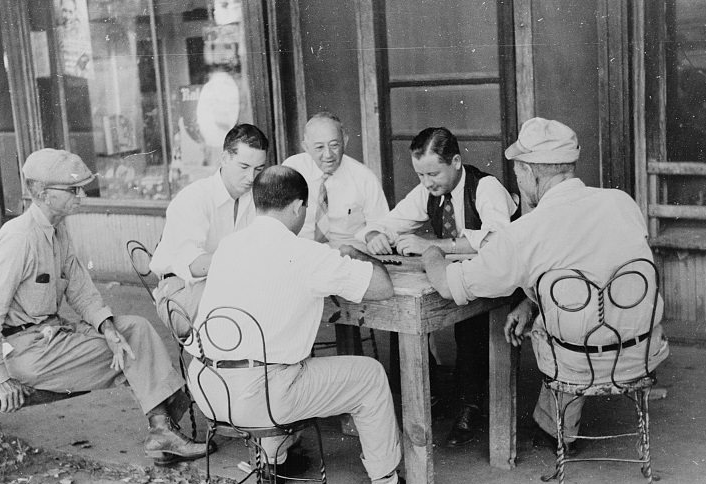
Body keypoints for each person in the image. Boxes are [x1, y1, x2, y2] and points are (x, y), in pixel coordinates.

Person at [422, 118, 670, 455]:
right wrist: (530, 303)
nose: (518, 179)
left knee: (554, 327)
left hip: (581, 362)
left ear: (528, 172)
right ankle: (551, 427)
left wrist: (433, 252)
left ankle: (557, 432)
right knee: (572, 313)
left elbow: (451, 285)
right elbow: (595, 272)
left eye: (518, 172)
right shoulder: (621, 202)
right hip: (644, 353)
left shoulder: (527, 231)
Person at [0, 148, 211, 466]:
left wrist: (108, 329)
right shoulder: (18, 238)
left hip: (50, 339)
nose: (81, 195)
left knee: (133, 330)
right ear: (42, 192)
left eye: (81, 188)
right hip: (25, 353)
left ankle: (163, 429)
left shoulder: (58, 232)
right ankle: (163, 429)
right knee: (134, 353)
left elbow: (82, 292)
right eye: (72, 190)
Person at [187, 165, 407, 484]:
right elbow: (382, 287)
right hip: (260, 396)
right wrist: (353, 252)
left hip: (209, 390)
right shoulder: (306, 254)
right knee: (369, 376)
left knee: (280, 359)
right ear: (297, 208)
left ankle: (275, 461)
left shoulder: (228, 247)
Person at [356, 127, 518, 447]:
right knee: (401, 315)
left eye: (432, 173)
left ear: (456, 161)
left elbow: (499, 242)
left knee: (469, 324)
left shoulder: (486, 188)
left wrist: (434, 245)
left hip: (503, 282)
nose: (426, 182)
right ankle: (429, 397)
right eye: (420, 174)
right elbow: (390, 222)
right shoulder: (428, 191)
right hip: (459, 276)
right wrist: (377, 234)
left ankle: (470, 406)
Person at [149, 124, 268, 334]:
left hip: (226, 286)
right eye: (244, 167)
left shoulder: (254, 198)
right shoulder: (194, 198)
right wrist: (246, 256)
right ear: (224, 158)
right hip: (180, 294)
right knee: (257, 311)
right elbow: (194, 266)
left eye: (259, 169)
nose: (251, 177)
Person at [282, 112, 389, 248]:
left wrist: (374, 234)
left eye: (334, 145)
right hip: (302, 253)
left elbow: (381, 224)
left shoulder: (364, 178)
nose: (328, 155)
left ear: (345, 140)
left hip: (349, 254)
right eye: (319, 147)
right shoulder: (292, 170)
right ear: (306, 147)